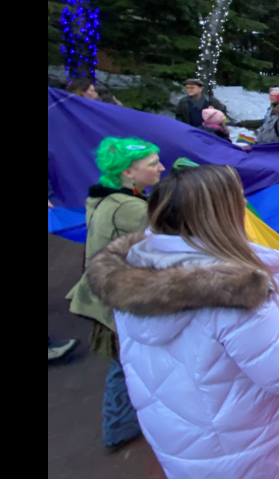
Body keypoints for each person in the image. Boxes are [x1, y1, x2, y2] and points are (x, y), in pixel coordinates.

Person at [86, 164, 279, 479]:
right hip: (256, 455)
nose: (245, 205)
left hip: (187, 446)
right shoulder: (237, 293)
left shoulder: (133, 273)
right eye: (239, 198)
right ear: (221, 213)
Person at [67, 137, 165, 447]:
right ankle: (119, 429)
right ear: (129, 173)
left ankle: (121, 424)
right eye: (152, 164)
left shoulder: (106, 198)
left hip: (104, 295)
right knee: (125, 366)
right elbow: (166, 240)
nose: (161, 167)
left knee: (123, 364)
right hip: (117, 303)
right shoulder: (130, 208)